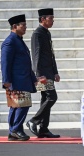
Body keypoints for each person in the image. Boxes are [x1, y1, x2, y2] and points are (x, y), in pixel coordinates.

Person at [1, 14, 38, 141]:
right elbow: (5, 62)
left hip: (23, 79)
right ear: (15, 26)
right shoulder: (10, 41)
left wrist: (34, 79)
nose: (25, 28)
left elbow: (26, 63)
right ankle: (16, 129)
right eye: (23, 25)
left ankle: (14, 131)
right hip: (16, 80)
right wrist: (6, 80)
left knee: (17, 105)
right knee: (21, 105)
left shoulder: (18, 40)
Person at [26, 8, 60, 138]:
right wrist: (38, 74)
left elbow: (51, 54)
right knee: (52, 97)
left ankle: (43, 129)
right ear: (42, 19)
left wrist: (55, 72)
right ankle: (33, 121)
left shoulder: (47, 33)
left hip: (49, 72)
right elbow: (36, 55)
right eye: (50, 18)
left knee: (46, 98)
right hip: (42, 73)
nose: (52, 20)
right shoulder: (37, 34)